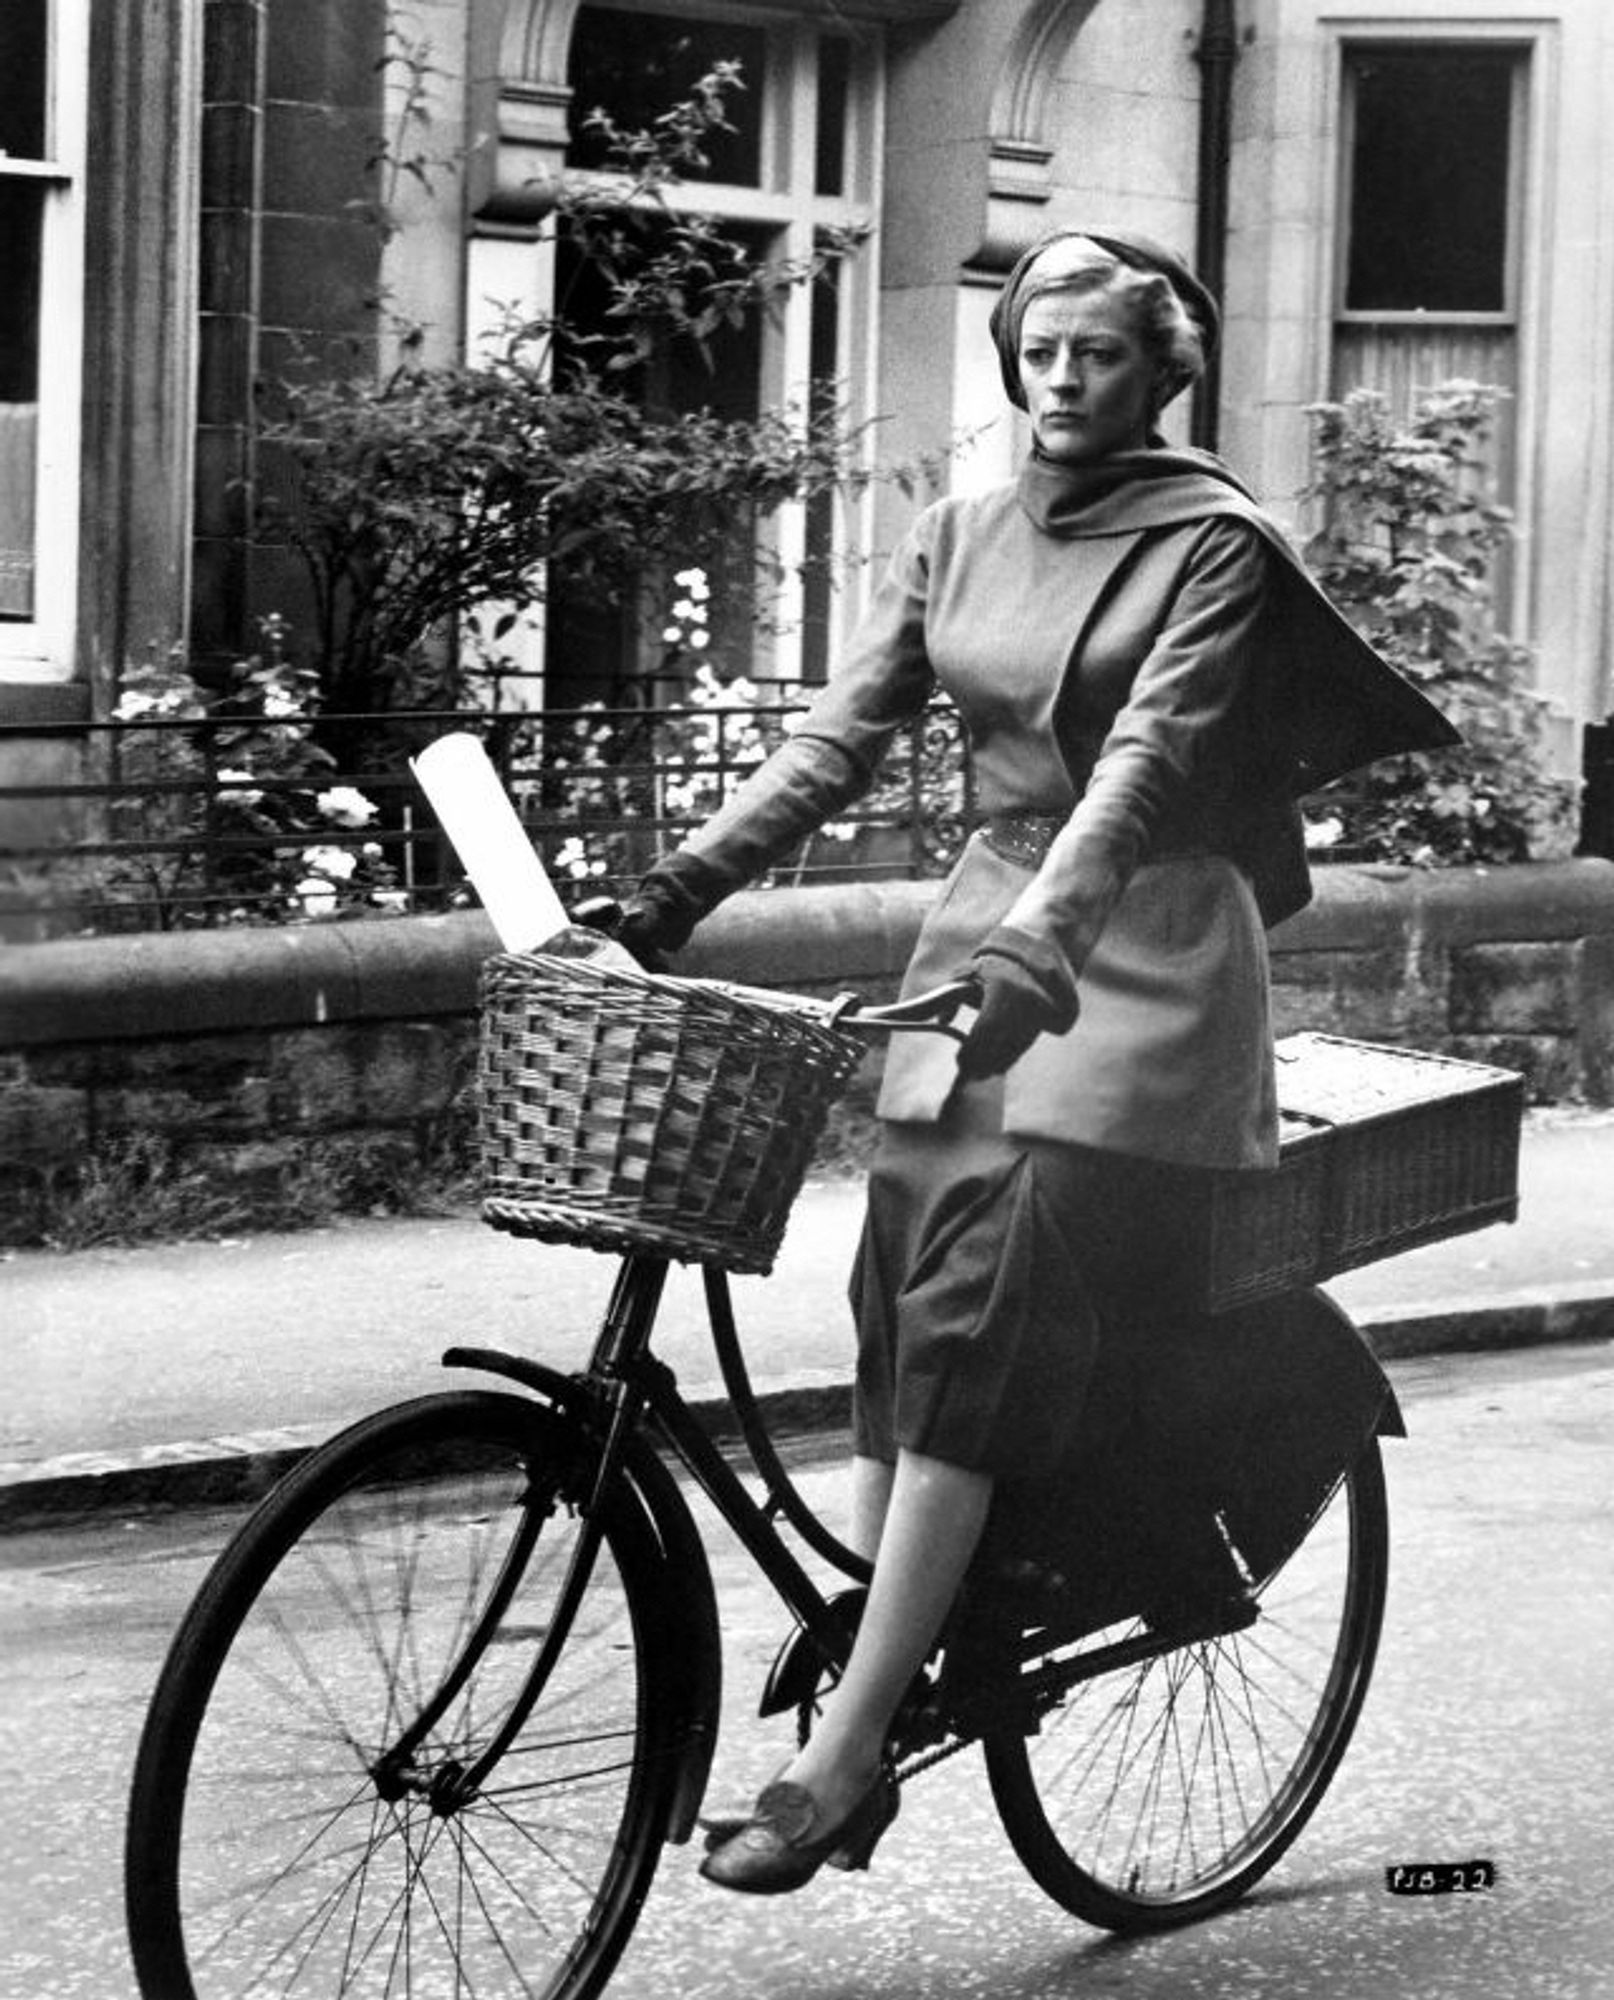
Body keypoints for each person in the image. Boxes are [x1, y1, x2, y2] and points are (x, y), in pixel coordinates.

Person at [612, 227, 1458, 1896]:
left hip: (1136, 958)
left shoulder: (1213, 545)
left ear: (1162, 375)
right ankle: (900, 1641)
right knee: (897, 1285)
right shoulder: (959, 533)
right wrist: (669, 894)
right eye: (1041, 354)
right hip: (989, 935)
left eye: (1100, 358)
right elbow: (834, 736)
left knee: (982, 1307)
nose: (1063, 385)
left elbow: (1139, 774)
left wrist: (1034, 954)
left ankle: (846, 1754)